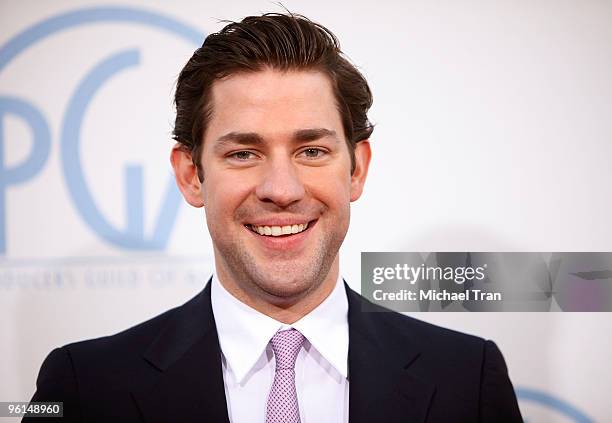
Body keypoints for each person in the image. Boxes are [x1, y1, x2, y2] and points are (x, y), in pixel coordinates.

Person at [26, 12, 523, 423]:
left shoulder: (467, 379)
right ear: (191, 176)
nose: (281, 191)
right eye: (244, 153)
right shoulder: (85, 387)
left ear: (357, 169)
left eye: (311, 150)